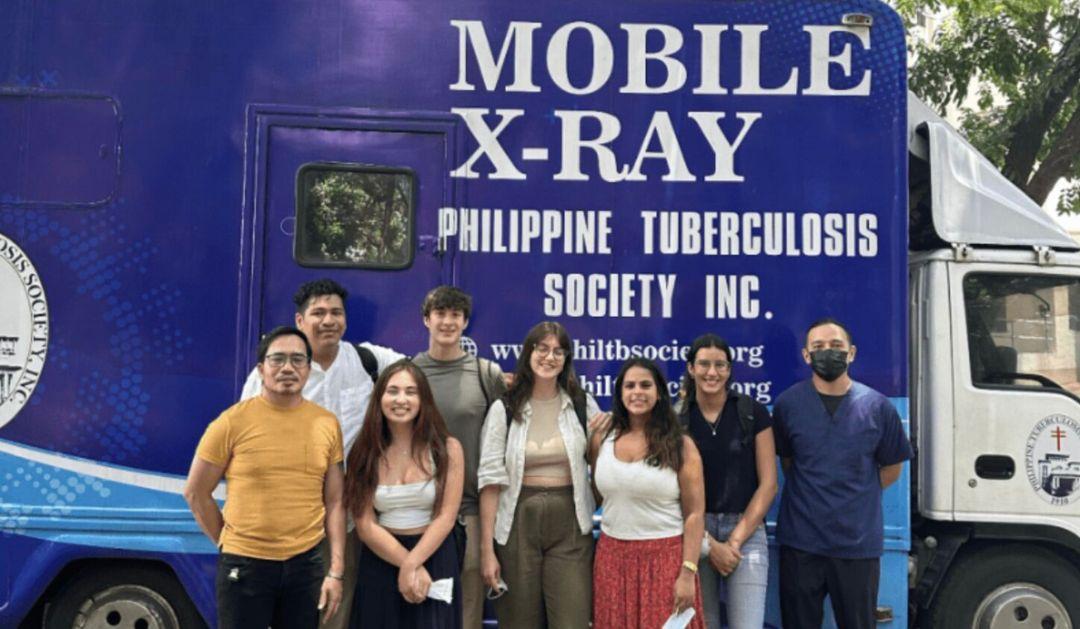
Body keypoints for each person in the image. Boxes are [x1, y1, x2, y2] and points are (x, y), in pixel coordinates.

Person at [241, 278, 403, 627]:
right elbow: (245, 440)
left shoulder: (367, 360)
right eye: (318, 313)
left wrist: (496, 375)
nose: (328, 320)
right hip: (288, 519)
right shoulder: (276, 371)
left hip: (346, 517)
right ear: (300, 321)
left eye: (336, 312)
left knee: (335, 615)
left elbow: (425, 371)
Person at [184, 326, 345, 629]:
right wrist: (229, 544)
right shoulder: (231, 422)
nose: (288, 368)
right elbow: (196, 493)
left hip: (305, 565)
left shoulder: (327, 424)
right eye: (278, 359)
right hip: (244, 566)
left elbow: (335, 500)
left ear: (309, 370)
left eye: (298, 360)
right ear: (261, 369)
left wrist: (336, 570)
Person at [773, 318, 914, 629]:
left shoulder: (878, 407)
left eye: (836, 346)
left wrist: (857, 490)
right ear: (806, 356)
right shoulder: (788, 405)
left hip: (856, 546)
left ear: (851, 353)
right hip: (801, 544)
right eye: (818, 347)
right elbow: (789, 463)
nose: (828, 352)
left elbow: (892, 467)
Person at [477, 321, 602, 628]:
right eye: (542, 348)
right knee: (519, 621)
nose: (550, 357)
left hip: (571, 524)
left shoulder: (582, 405)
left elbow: (605, 463)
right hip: (516, 523)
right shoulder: (504, 408)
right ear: (528, 353)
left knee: (572, 620)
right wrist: (487, 551)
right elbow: (491, 481)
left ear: (567, 359)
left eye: (559, 351)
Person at [412, 285, 507, 628]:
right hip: (418, 512)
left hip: (469, 513)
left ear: (466, 322)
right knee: (420, 605)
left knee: (467, 613)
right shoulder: (409, 374)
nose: (447, 322)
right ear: (426, 319)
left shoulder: (486, 374)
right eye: (440, 314)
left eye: (455, 315)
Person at [344, 360, 465, 628]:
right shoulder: (364, 452)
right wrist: (408, 564)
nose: (401, 400)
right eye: (393, 391)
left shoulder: (447, 449)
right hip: (380, 558)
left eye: (411, 392)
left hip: (435, 555)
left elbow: (446, 517)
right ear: (379, 398)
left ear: (424, 399)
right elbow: (364, 525)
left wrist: (413, 563)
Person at [590, 358, 706, 629]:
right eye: (629, 386)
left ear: (659, 393)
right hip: (612, 561)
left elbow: (694, 514)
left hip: (665, 562)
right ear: (619, 393)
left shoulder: (681, 445)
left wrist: (687, 573)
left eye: (645, 385)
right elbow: (599, 495)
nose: (637, 392)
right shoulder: (601, 438)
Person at [678, 334, 777, 629]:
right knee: (703, 624)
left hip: (746, 533)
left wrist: (733, 542)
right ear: (691, 368)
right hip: (697, 534)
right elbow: (673, 493)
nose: (712, 372)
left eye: (720, 365)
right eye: (704, 364)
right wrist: (711, 545)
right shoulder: (677, 418)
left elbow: (769, 483)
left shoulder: (751, 412)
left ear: (730, 369)